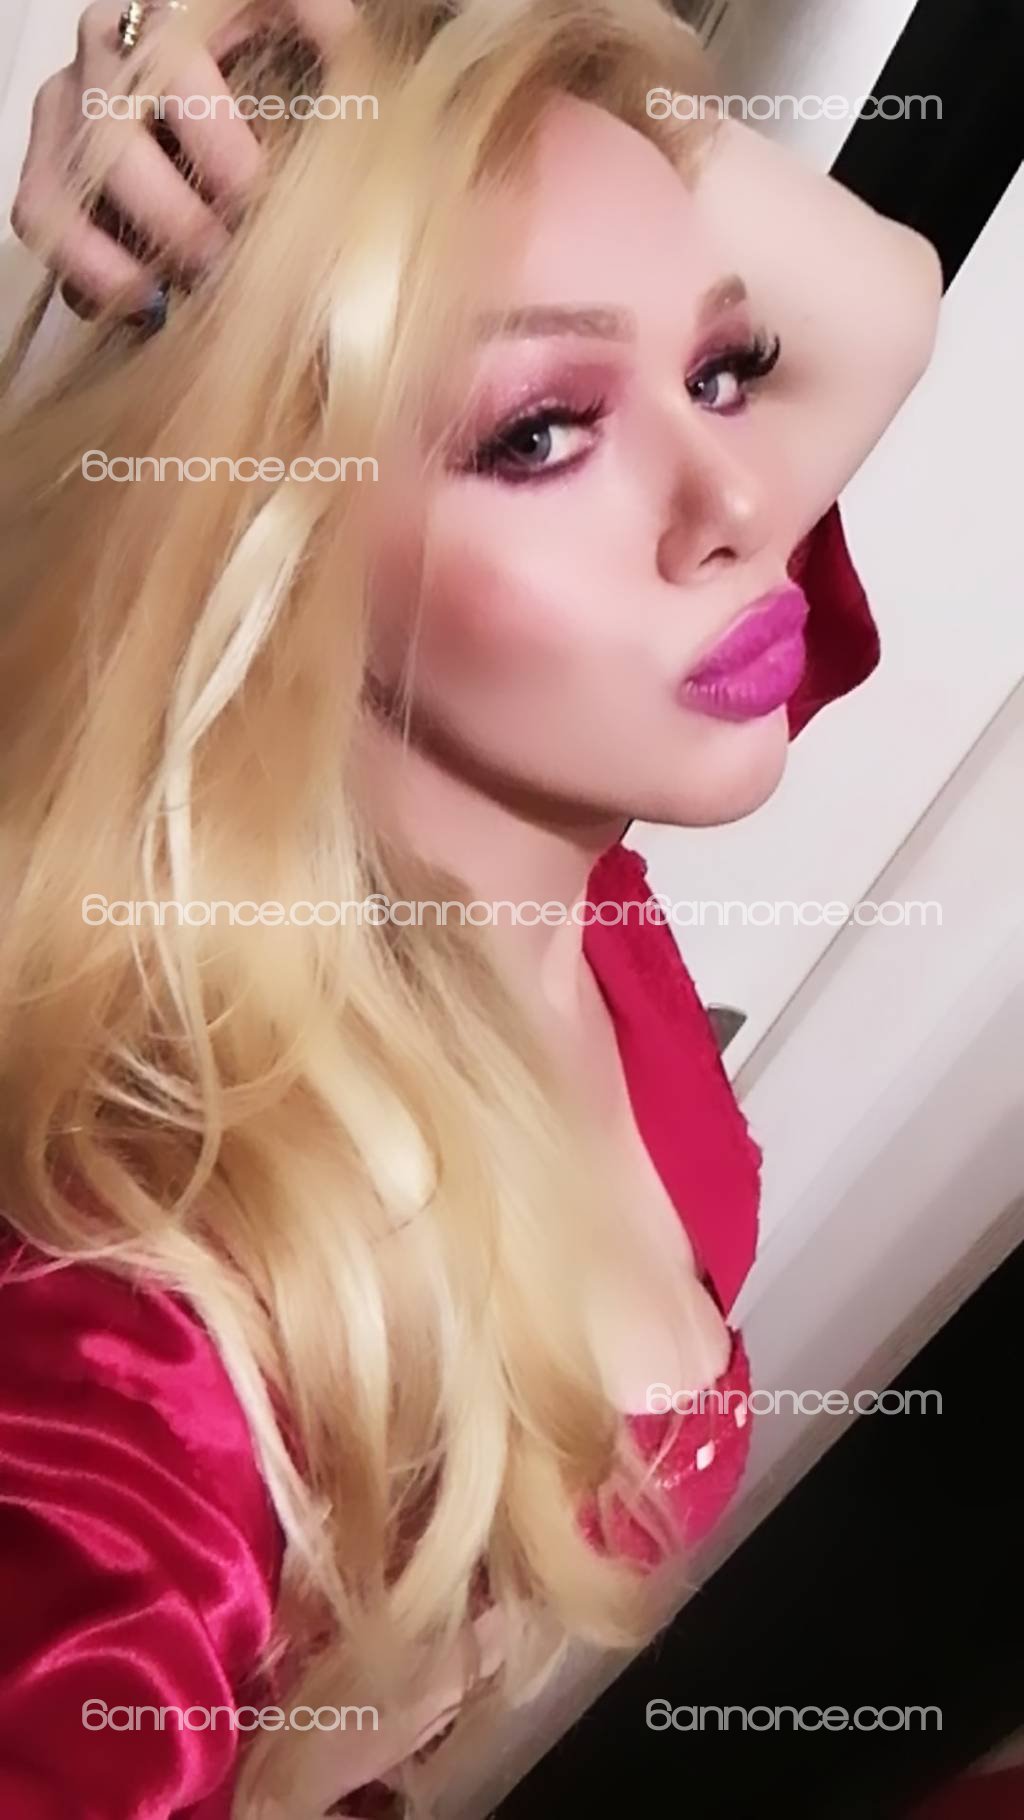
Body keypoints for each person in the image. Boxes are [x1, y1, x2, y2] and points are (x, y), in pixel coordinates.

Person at [0, 1, 941, 1813]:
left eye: (722, 368)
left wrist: (409, 35)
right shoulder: (153, 1324)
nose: (742, 498)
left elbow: (884, 307)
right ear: (264, 547)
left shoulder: (581, 895)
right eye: (541, 434)